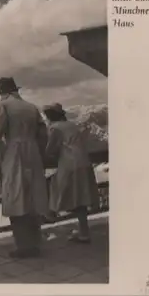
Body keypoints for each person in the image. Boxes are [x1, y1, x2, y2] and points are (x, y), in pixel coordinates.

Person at [0, 77, 49, 258]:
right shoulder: (31, 107)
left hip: (15, 154)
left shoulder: (4, 106)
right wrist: (40, 154)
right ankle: (35, 243)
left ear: (3, 92)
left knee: (16, 198)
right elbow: (43, 134)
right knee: (32, 199)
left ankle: (23, 246)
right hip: (33, 155)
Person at [43, 103, 99, 243]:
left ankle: (50, 215)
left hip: (70, 164)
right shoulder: (72, 125)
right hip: (84, 163)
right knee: (81, 198)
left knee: (55, 186)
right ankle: (84, 233)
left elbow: (50, 150)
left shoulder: (55, 128)